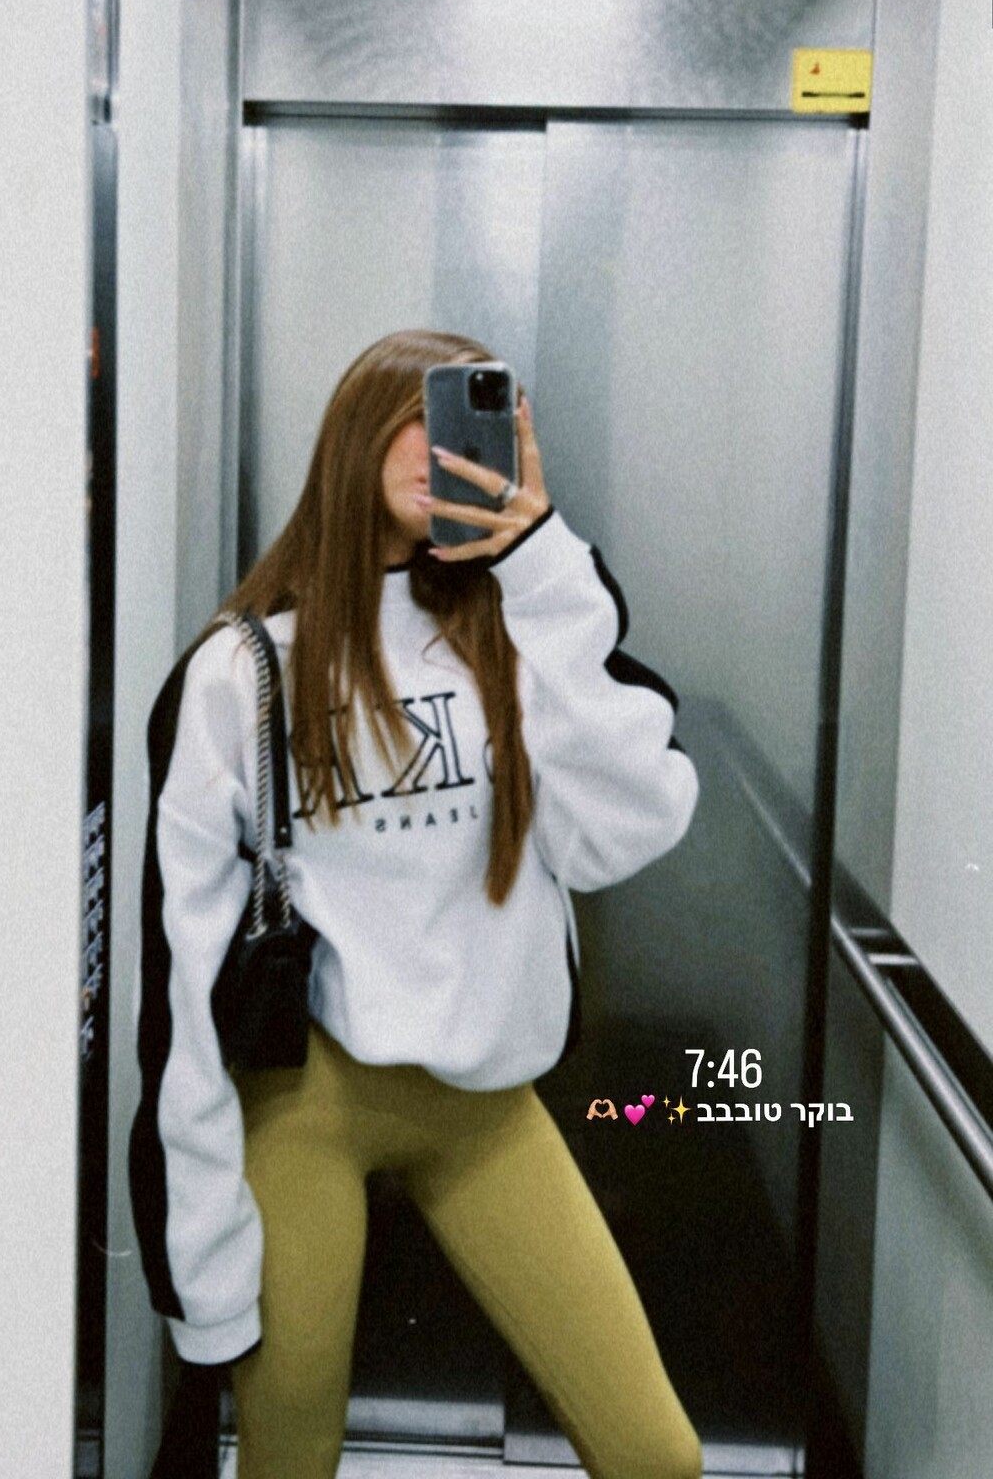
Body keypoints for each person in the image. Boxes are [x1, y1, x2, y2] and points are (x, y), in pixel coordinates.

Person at [130, 328, 703, 1479]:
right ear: (352, 437)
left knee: (659, 1455)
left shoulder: (519, 630)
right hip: (306, 1104)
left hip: (484, 1105)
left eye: (471, 415)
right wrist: (201, 1262)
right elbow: (182, 979)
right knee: (290, 1455)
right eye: (413, 412)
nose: (438, 444)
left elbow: (627, 829)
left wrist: (541, 564)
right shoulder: (242, 668)